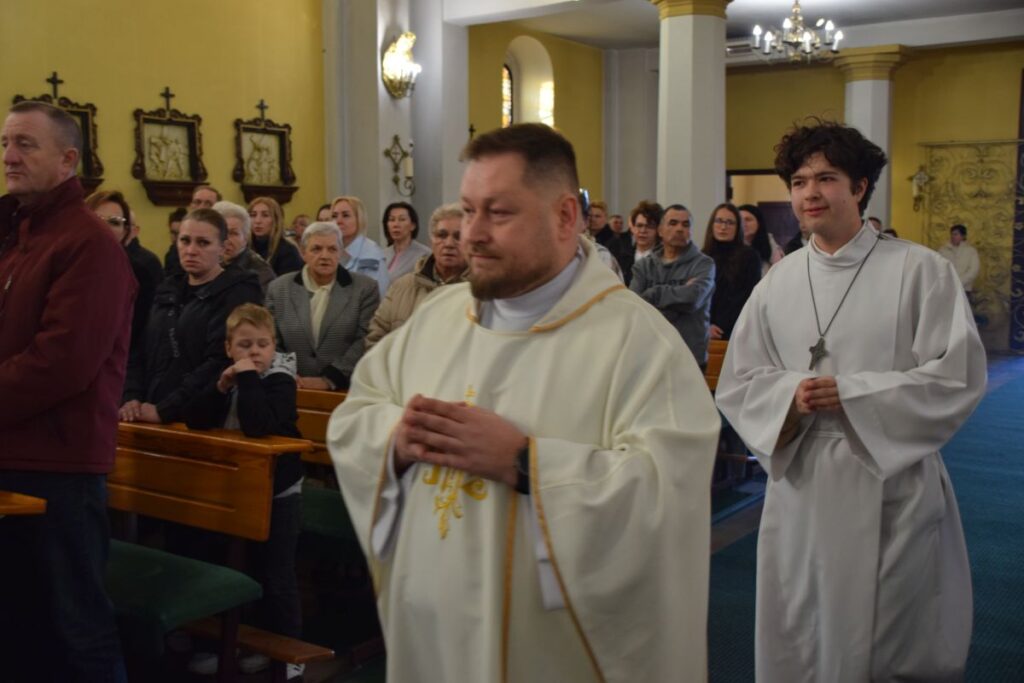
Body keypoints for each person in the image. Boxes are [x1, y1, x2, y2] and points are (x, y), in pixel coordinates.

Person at [327, 123, 718, 683]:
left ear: (565, 216)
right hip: (433, 636)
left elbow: (668, 493)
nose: (472, 234)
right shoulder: (437, 317)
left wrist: (525, 462)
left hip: (551, 654)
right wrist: (396, 439)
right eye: (468, 211)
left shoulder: (639, 341)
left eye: (498, 212)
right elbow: (357, 413)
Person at [716, 120, 986, 682]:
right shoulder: (778, 281)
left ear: (860, 187)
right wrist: (790, 396)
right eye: (798, 182)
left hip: (890, 480)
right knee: (803, 628)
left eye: (826, 178)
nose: (809, 193)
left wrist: (856, 394)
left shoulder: (920, 270)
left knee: (890, 634)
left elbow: (957, 375)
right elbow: (740, 380)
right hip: (803, 482)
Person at [0, 100, 135, 681]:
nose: (9, 156)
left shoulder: (88, 244)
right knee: (20, 626)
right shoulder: (18, 236)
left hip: (61, 467)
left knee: (77, 631)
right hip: (13, 454)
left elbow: (62, 364)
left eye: (25, 144)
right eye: (5, 143)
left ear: (67, 160)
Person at [184, 303, 305, 680]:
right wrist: (221, 387)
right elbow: (195, 418)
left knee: (276, 574)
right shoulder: (227, 376)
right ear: (228, 348)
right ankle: (229, 641)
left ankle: (286, 650)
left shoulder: (281, 382)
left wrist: (249, 377)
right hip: (233, 486)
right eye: (244, 345)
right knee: (229, 566)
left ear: (274, 347)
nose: (254, 352)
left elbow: (258, 426)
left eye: (263, 345)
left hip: (278, 491)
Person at [120, 208, 262, 423]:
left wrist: (165, 410)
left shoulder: (238, 292)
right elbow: (140, 348)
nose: (191, 250)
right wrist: (131, 397)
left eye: (203, 243)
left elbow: (218, 361)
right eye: (185, 241)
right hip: (148, 409)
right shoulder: (167, 288)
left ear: (223, 248)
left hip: (202, 416)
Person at [265, 221, 379, 391]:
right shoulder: (278, 288)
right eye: (316, 249)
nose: (325, 255)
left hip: (344, 389)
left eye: (332, 249)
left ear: (341, 253)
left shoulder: (365, 288)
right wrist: (287, 375)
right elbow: (271, 338)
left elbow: (365, 339)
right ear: (303, 252)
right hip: (290, 388)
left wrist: (330, 379)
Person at [365, 203, 467, 350]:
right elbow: (376, 337)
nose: (449, 243)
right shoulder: (401, 287)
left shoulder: (483, 293)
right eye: (442, 235)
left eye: (458, 237)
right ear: (431, 240)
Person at [630, 203, 715, 369]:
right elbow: (635, 306)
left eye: (686, 224)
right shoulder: (644, 266)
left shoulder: (704, 264)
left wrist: (653, 294)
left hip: (689, 358)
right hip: (651, 356)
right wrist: (677, 299)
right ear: (660, 230)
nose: (679, 229)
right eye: (673, 223)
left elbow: (693, 298)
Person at [85, 190, 163, 365]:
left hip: (118, 365)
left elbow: (138, 335)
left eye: (114, 222)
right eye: (96, 219)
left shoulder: (139, 273)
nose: (105, 227)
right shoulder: (64, 266)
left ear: (126, 232)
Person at [704, 203, 761, 340]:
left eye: (730, 223)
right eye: (719, 221)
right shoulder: (703, 257)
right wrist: (707, 324)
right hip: (705, 330)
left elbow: (749, 297)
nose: (723, 227)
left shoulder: (749, 256)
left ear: (737, 227)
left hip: (737, 330)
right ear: (712, 224)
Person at [329, 195, 390, 296]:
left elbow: (376, 294)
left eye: (345, 215)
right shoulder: (331, 249)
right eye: (334, 216)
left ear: (359, 219)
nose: (338, 221)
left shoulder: (370, 253)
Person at [214, 200, 276, 292]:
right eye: (222, 232)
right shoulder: (206, 263)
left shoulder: (260, 273)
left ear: (246, 238)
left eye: (233, 233)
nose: (226, 240)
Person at [249, 196, 304, 277]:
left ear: (276, 220)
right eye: (253, 215)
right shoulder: (245, 247)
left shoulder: (288, 251)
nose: (257, 221)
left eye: (265, 215)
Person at [381, 201, 431, 281]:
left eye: (402, 219)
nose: (396, 225)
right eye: (392, 220)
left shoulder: (424, 255)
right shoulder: (382, 254)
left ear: (413, 225)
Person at [738, 203, 783, 275]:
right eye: (740, 220)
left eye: (748, 220)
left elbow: (780, 268)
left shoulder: (768, 241)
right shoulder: (732, 243)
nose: (743, 224)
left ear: (759, 222)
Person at [938, 224, 980, 294]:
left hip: (964, 289)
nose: (952, 236)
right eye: (952, 234)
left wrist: (959, 282)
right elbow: (938, 267)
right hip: (946, 288)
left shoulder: (971, 251)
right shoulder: (943, 250)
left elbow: (973, 270)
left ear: (963, 236)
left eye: (956, 234)